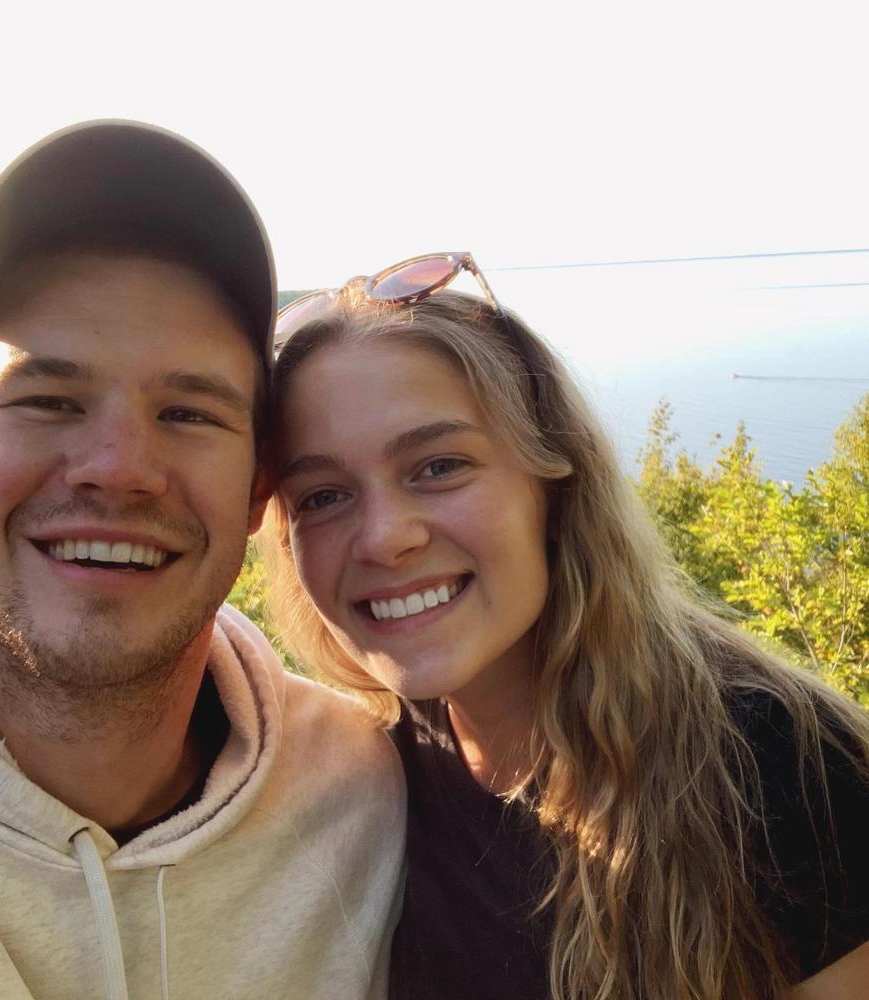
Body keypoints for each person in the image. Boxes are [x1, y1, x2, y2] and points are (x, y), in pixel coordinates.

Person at [0, 121, 404, 1000]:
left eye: (189, 414)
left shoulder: (364, 795)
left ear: (257, 486)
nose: (117, 468)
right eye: (48, 399)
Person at [260, 253, 869, 1000]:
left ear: (555, 483)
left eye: (439, 466)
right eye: (322, 496)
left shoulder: (777, 768)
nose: (384, 538)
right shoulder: (369, 776)